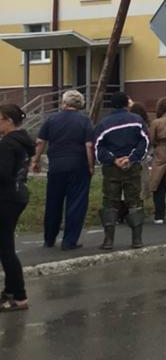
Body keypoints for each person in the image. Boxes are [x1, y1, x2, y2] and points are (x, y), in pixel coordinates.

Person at [32, 89, 95, 250]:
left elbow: (40, 142)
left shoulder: (51, 119)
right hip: (78, 166)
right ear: (80, 104)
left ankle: (49, 239)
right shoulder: (85, 121)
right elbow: (89, 145)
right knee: (76, 203)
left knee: (53, 202)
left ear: (64, 103)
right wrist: (90, 165)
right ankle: (69, 241)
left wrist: (36, 161)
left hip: (56, 166)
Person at [93, 91, 150, 251]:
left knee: (110, 202)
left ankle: (108, 240)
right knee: (134, 201)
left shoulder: (104, 124)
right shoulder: (137, 121)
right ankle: (137, 239)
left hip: (111, 169)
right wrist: (132, 158)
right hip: (132, 168)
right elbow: (145, 141)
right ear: (126, 104)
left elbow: (98, 146)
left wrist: (113, 159)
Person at [0, 104, 35, 312]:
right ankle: (11, 291)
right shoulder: (22, 141)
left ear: (9, 121)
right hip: (18, 194)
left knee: (6, 249)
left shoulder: (7, 144)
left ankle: (19, 296)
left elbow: (3, 174)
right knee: (5, 246)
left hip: (6, 197)